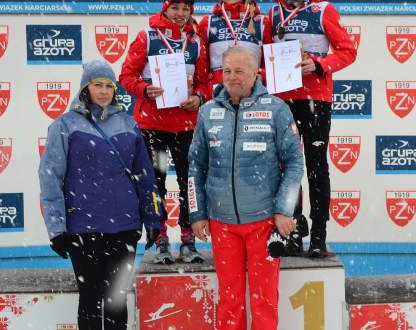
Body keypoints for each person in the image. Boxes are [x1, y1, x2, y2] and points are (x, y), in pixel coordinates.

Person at [39, 60, 161, 330]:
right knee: (91, 302)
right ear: (86, 88)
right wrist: (56, 228)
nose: (104, 91)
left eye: (109, 86)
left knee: (117, 302)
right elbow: (50, 178)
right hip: (83, 229)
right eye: (98, 85)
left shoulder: (129, 125)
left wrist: (153, 219)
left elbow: (145, 177)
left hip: (125, 228)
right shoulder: (65, 125)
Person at [188, 46, 304, 330]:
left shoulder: (276, 109)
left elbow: (294, 164)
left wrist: (284, 210)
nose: (232, 77)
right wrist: (197, 213)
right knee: (229, 299)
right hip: (221, 222)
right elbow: (195, 167)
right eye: (227, 71)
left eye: (239, 71)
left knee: (264, 299)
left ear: (255, 73)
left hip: (264, 222)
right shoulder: (207, 112)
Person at [266, 0, 357, 257]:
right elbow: (263, 56)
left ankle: (318, 235)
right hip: (283, 100)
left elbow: (347, 51)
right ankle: (292, 232)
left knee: (316, 167)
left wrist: (318, 64)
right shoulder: (273, 13)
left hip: (316, 99)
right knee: (286, 169)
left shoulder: (324, 9)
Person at [119, 0, 207, 264]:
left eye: (185, 9)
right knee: (154, 184)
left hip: (185, 125)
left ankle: (188, 240)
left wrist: (200, 97)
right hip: (153, 124)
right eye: (175, 8)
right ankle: (160, 240)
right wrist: (145, 90)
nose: (180, 14)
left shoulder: (197, 41)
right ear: (165, 9)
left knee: (188, 184)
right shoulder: (147, 37)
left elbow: (205, 81)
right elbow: (126, 75)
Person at [198, 0, 268, 98]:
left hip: (251, 91)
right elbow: (201, 70)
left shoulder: (262, 22)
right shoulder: (207, 22)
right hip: (218, 93)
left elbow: (270, 64)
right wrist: (201, 95)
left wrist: (259, 75)